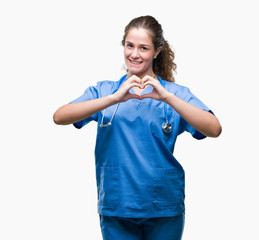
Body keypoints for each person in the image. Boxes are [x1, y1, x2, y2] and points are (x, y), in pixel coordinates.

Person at [53, 15, 222, 240]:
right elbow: (59, 116)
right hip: (118, 204)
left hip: (163, 206)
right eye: (129, 45)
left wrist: (167, 98)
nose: (134, 54)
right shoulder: (105, 91)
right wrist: (114, 99)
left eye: (143, 48)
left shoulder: (174, 94)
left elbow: (214, 129)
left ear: (157, 51)